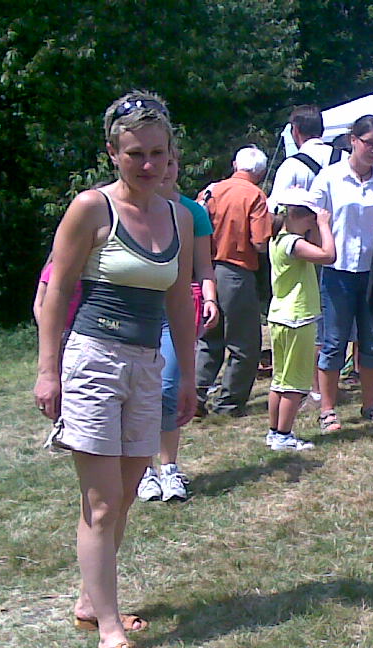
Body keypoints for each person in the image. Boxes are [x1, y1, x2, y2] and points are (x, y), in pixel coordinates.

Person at [34, 91, 199, 648]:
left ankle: (90, 603)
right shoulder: (91, 208)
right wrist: (48, 368)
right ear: (112, 152)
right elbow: (56, 290)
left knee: (125, 495)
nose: (148, 164)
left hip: (148, 365)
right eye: (135, 154)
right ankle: (109, 630)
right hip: (94, 361)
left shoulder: (180, 216)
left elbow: (179, 299)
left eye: (158, 152)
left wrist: (188, 374)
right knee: (102, 503)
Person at [138, 149, 220, 502]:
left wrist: (211, 298)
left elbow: (204, 267)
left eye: (172, 163)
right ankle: (143, 470)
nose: (166, 170)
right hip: (140, 309)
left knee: (169, 387)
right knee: (142, 391)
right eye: (162, 163)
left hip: (179, 308)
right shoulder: (134, 208)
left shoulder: (192, 212)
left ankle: (169, 467)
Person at [310, 114, 373, 432]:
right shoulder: (330, 177)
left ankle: (369, 405)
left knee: (372, 340)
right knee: (334, 341)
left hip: (371, 271)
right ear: (353, 141)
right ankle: (328, 409)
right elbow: (309, 216)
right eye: (369, 143)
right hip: (336, 270)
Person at [195, 145, 273, 417]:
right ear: (260, 173)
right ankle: (229, 403)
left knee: (209, 338)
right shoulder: (255, 196)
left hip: (206, 270)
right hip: (237, 273)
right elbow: (260, 242)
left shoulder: (210, 191)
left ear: (235, 165)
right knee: (244, 344)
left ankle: (195, 395)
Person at [265, 187, 335, 450]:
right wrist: (324, 225)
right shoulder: (293, 243)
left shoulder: (278, 239)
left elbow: (315, 246)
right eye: (309, 217)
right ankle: (284, 435)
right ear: (295, 215)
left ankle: (275, 432)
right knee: (295, 383)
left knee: (280, 380)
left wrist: (315, 226)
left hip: (280, 316)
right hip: (298, 318)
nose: (311, 222)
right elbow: (328, 256)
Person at [268, 105, 340, 207]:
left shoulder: (291, 166)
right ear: (322, 130)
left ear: (295, 130)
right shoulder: (345, 158)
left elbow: (274, 207)